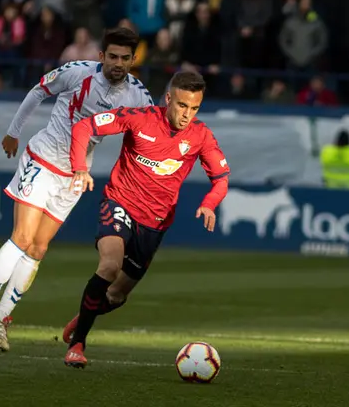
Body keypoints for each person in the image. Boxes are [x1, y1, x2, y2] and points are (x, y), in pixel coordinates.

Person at [0, 27, 154, 351]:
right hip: (44, 158)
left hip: (75, 176)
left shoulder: (138, 94)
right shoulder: (78, 72)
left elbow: (151, 132)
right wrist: (14, 131)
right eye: (112, 56)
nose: (118, 64)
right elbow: (40, 89)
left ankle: (1, 320)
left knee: (39, 248)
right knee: (22, 238)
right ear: (101, 56)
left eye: (125, 58)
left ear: (133, 60)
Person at [61, 71, 230, 369]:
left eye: (194, 109)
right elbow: (85, 126)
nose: (186, 114)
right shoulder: (139, 118)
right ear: (168, 99)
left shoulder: (200, 136)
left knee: (115, 296)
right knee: (110, 265)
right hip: (120, 202)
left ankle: (84, 315)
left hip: (155, 222)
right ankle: (78, 344)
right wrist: (79, 167)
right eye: (181, 106)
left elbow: (220, 179)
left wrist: (209, 204)